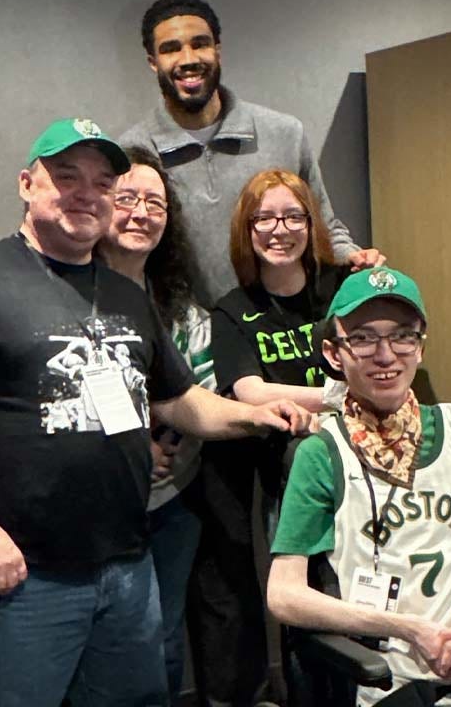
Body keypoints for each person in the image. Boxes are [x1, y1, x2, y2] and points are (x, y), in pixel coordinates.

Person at [0, 117, 314, 707]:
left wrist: (262, 416)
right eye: (66, 177)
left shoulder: (125, 296)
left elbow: (181, 401)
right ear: (26, 184)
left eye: (101, 182)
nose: (86, 193)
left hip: (126, 566)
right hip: (21, 574)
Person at [266, 267, 451, 707]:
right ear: (333, 353)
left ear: (419, 348)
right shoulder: (322, 454)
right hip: (395, 683)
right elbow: (284, 595)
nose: (385, 356)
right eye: (363, 338)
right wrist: (407, 627)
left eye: (402, 336)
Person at [190, 169, 360, 706]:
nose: (278, 229)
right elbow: (248, 389)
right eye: (264, 218)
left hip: (362, 460)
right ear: (247, 230)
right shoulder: (234, 309)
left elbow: (380, 354)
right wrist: (334, 398)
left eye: (292, 216)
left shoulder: (340, 288)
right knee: (303, 589)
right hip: (285, 468)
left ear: (312, 224)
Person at [119, 0, 382, 309]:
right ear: (153, 62)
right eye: (171, 49)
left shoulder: (284, 134)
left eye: (199, 44)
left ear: (217, 51)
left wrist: (353, 257)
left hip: (284, 329)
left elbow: (324, 226)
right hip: (189, 344)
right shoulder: (132, 154)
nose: (188, 59)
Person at [95, 145, 215, 703]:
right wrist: (133, 445)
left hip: (173, 503)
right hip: (92, 512)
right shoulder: (66, 290)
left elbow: (201, 392)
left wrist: (161, 445)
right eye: (126, 198)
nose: (140, 212)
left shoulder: (184, 310)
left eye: (155, 202)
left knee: (162, 641)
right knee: (96, 650)